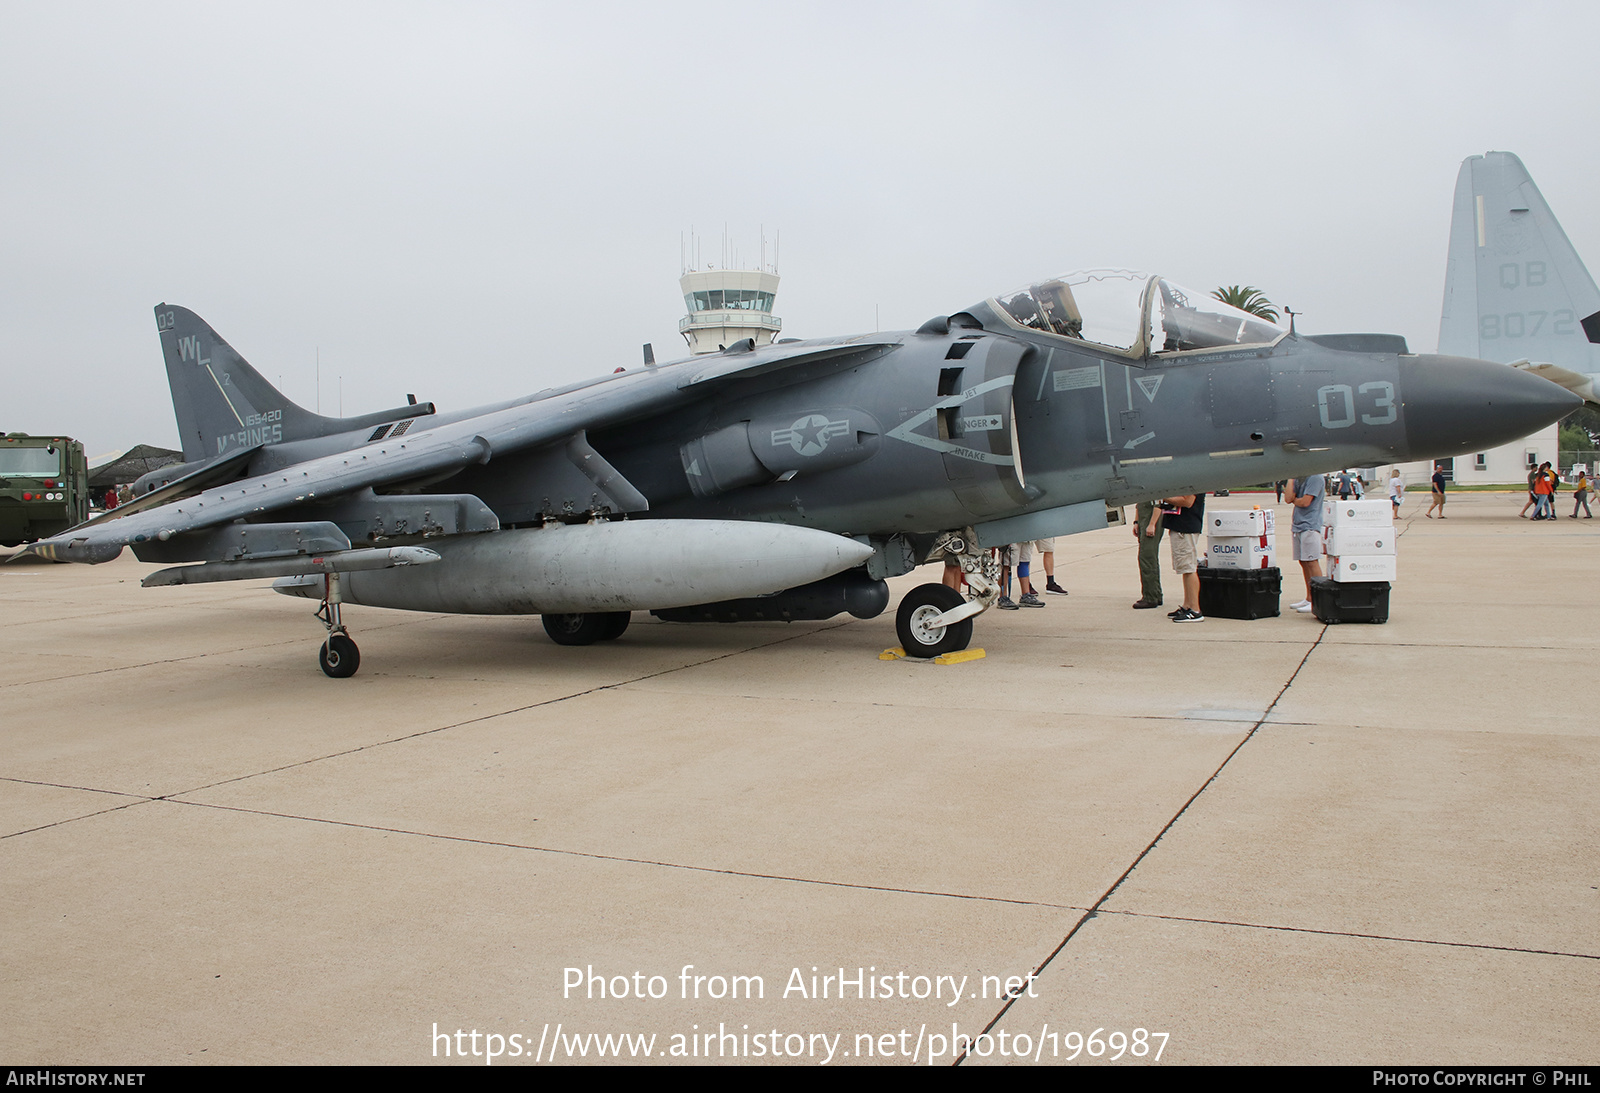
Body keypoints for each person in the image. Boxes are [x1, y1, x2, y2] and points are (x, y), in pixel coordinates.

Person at [1160, 492, 1205, 622]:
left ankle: (1195, 610)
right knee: (1184, 569)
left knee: (1189, 568)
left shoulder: (1194, 480)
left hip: (1185, 528)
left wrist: (1164, 496)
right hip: (1179, 526)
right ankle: (1187, 605)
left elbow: (1188, 501)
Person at [1284, 473, 1325, 612]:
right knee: (1304, 561)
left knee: (1312, 561)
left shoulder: (1315, 477)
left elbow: (1305, 502)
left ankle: (1318, 599)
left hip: (1310, 525)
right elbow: (1288, 498)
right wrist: (1290, 477)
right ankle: (1309, 597)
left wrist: (1295, 500)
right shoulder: (1298, 478)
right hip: (1298, 525)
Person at [1131, 500, 1165, 609]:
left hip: (1150, 522)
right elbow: (1139, 504)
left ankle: (1150, 598)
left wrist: (1152, 524)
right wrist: (1136, 522)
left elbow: (1158, 505)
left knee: (1147, 558)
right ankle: (1156, 594)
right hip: (1143, 521)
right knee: (1151, 559)